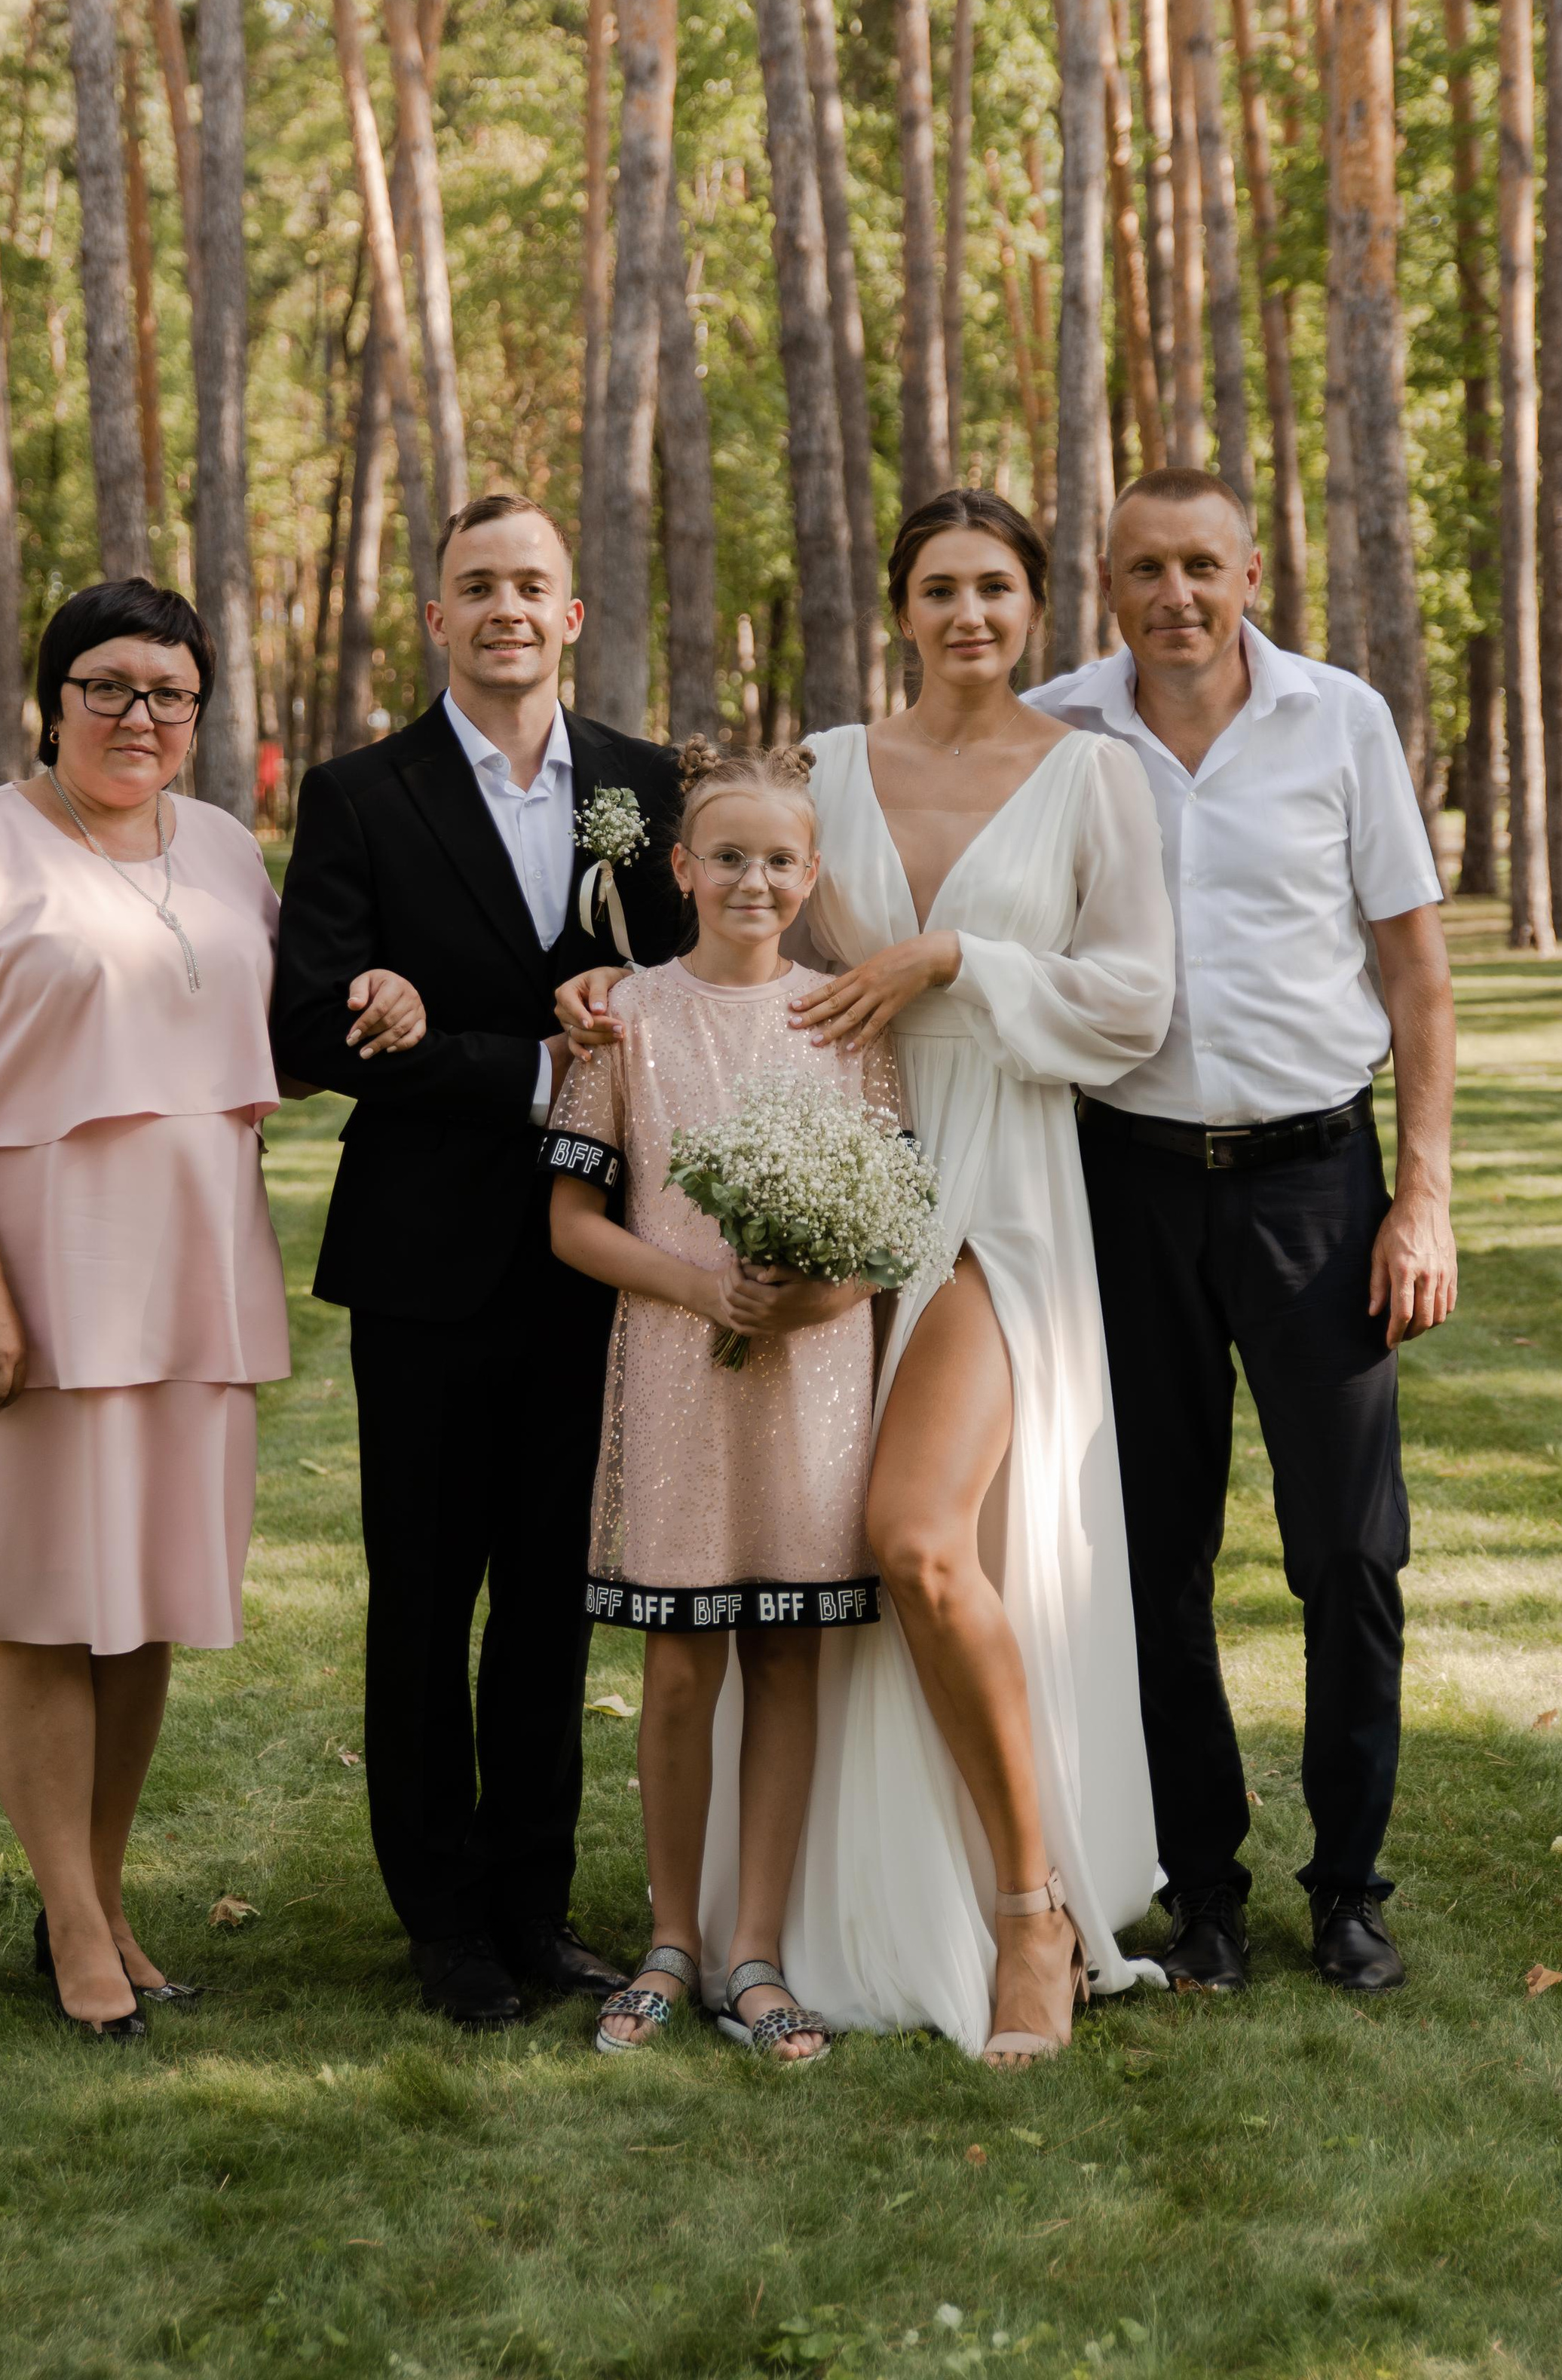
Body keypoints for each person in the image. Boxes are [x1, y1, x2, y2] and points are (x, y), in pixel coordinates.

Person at [562, 490, 1178, 2062]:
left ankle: (1029, 1914)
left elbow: (1133, 1003)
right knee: (795, 1566)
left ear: (1033, 605)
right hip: (818, 1173)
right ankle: (774, 1925)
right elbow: (727, 900)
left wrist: (952, 959)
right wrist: (597, 979)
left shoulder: (1093, 778)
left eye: (992, 587)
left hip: (993, 1192)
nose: (963, 613)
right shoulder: (830, 765)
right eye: (934, 588)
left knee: (914, 1541)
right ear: (895, 604)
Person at [0, 578, 289, 2039]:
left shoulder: (222, 847)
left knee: (140, 1602)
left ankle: (91, 1902)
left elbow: (263, 1027)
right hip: (26, 1271)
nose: (136, 717)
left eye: (167, 693)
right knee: (34, 1605)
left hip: (184, 1280)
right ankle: (80, 1938)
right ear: (52, 696)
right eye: (105, 686)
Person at [1024, 467, 1454, 1996]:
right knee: (1150, 1558)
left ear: (1249, 569)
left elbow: (1413, 978)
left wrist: (1422, 1196)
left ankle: (1345, 1888)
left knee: (1347, 1552)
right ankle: (1197, 1890)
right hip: (1122, 1185)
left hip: (1312, 1189)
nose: (1174, 596)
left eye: (1200, 563)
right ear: (1106, 581)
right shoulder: (1053, 728)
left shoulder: (1337, 721)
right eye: (1143, 568)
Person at [268, 493, 684, 2032]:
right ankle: (438, 1921)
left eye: (532, 585)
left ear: (571, 617)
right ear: (434, 619)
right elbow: (307, 1029)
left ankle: (532, 1905)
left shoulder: (648, 787)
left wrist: (633, 1005)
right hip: (427, 1261)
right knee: (425, 1597)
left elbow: (708, 981)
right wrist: (517, 1070)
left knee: (553, 1603)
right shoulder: (361, 795)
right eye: (473, 587)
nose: (505, 608)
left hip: (600, 1260)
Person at [548, 740, 897, 2066]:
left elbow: (890, 1228)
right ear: (683, 867)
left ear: (813, 876)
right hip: (677, 1371)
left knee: (787, 1655)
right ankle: (670, 1939)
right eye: (729, 856)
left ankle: (758, 1948)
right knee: (681, 1664)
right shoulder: (623, 1016)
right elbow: (574, 1222)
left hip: (810, 1384)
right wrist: (702, 1288)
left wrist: (816, 1298)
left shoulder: (844, 1021)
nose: (755, 879)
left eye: (781, 859)